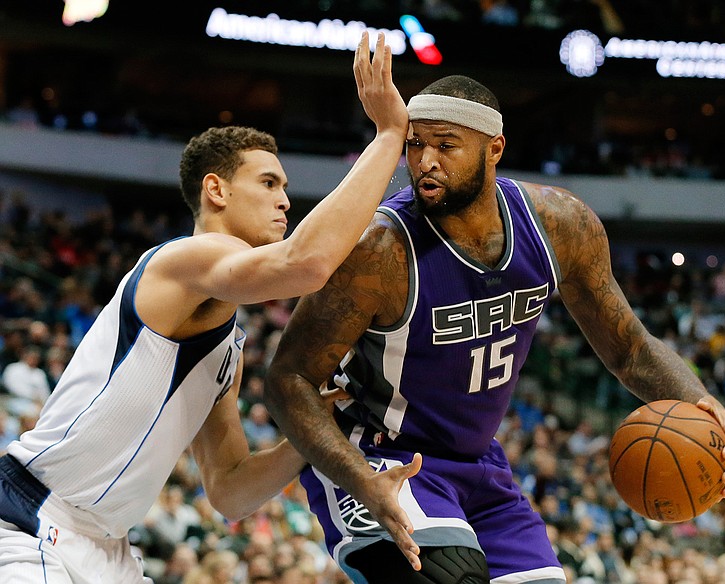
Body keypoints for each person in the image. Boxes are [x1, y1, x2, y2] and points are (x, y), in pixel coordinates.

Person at [264, 74, 725, 583]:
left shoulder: (561, 225)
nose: (425, 161)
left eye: (446, 146)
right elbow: (286, 378)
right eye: (415, 144)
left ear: (494, 148)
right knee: (447, 576)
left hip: (480, 463)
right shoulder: (377, 252)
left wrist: (703, 404)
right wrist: (358, 478)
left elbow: (630, 351)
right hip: (381, 455)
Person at [0, 32, 420, 583]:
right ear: (216, 191)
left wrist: (321, 425)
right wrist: (390, 134)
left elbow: (231, 491)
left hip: (108, 550)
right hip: (33, 519)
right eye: (268, 182)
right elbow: (307, 264)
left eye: (285, 186)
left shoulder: (227, 342)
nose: (285, 200)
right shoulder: (184, 261)